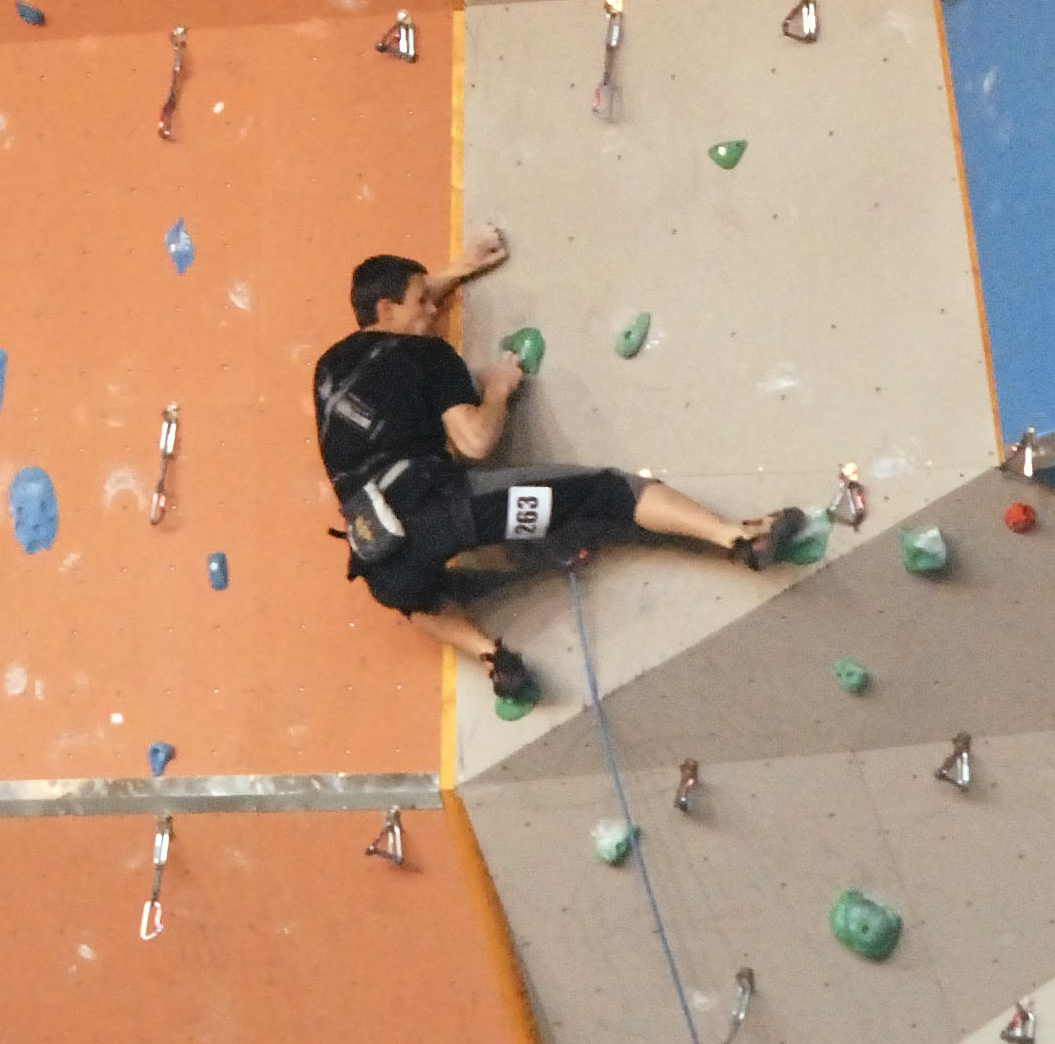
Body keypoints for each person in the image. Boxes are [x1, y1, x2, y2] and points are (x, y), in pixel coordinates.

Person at [313, 228, 803, 703]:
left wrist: (462, 267)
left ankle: (492, 658)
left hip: (378, 550)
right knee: (611, 491)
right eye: (423, 300)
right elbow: (476, 441)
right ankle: (739, 538)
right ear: (387, 308)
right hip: (452, 509)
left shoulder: (329, 368)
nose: (434, 307)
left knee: (417, 598)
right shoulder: (427, 354)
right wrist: (499, 389)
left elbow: (394, 312)